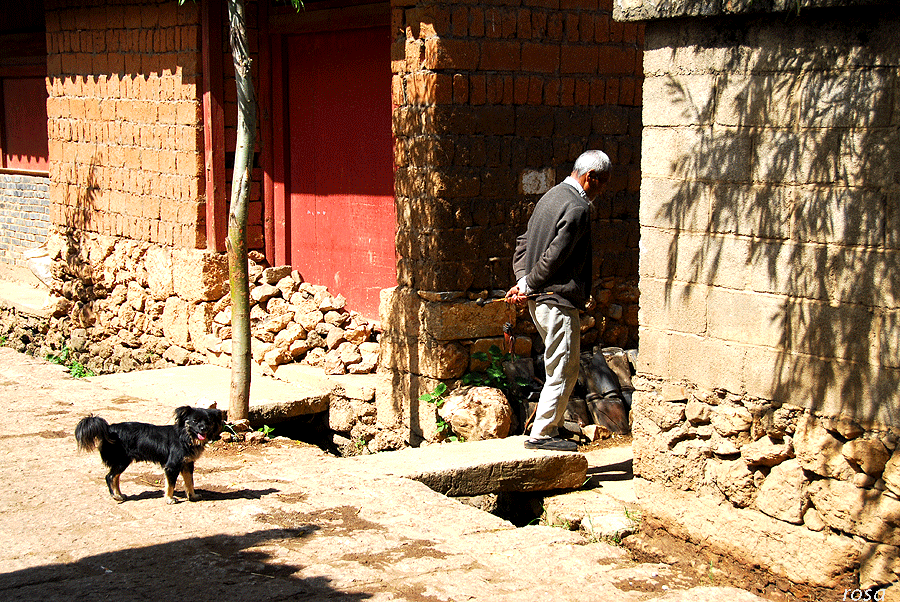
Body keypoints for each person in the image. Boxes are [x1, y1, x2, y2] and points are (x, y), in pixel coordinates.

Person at [505, 150, 611, 451]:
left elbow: (523, 244)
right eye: (602, 184)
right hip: (556, 300)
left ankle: (544, 429)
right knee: (563, 367)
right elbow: (555, 256)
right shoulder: (578, 208)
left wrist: (523, 281)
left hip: (539, 299)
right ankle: (543, 434)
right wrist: (529, 282)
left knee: (558, 366)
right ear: (591, 177)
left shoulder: (550, 196)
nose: (601, 191)